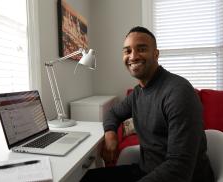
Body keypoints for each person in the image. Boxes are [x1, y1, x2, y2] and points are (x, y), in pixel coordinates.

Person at [80, 26, 214, 182]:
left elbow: (179, 169)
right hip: (147, 172)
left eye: (141, 49)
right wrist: (111, 135)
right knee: (89, 178)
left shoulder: (178, 92)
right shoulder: (138, 93)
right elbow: (114, 113)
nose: (133, 56)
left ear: (156, 54)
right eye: (127, 51)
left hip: (183, 177)